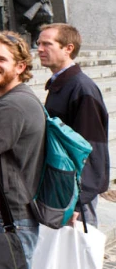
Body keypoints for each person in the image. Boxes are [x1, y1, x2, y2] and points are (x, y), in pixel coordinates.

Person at [0, 31, 45, 267]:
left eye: (1, 59)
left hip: (6, 217)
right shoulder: (13, 98)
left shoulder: (12, 105)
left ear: (20, 66)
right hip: (12, 214)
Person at [37, 23, 109, 226]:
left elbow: (92, 147)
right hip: (64, 187)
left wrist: (78, 202)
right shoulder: (63, 83)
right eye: (39, 43)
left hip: (75, 196)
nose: (40, 49)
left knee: (80, 254)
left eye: (47, 44)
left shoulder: (81, 88)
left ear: (68, 48)